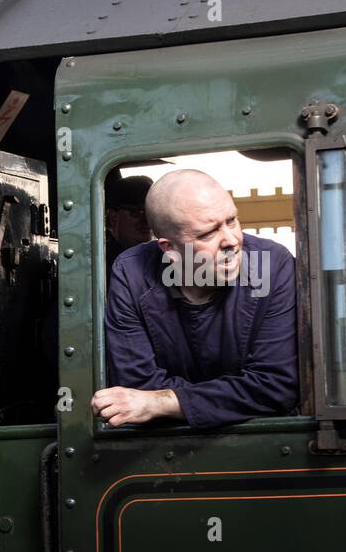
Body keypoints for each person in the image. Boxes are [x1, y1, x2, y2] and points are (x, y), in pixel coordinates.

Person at [93, 168, 297, 429]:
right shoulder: (131, 273)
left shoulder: (273, 265)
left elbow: (276, 386)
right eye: (207, 233)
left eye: (232, 220)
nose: (232, 240)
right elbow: (136, 383)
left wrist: (160, 402)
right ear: (170, 249)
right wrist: (231, 399)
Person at [104, 170, 153, 269]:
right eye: (137, 212)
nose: (146, 221)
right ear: (113, 217)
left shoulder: (158, 255)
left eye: (149, 212)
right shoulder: (105, 263)